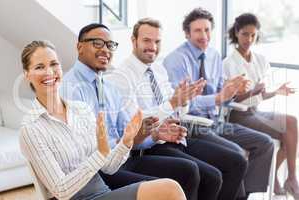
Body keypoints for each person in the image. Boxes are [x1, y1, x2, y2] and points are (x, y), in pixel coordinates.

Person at [19, 40, 186, 200]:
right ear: (27, 75)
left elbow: (108, 168)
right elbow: (61, 191)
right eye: (40, 67)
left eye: (54, 64)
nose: (49, 72)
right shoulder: (31, 129)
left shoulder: (81, 109)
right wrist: (100, 155)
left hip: (103, 192)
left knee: (170, 187)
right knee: (169, 189)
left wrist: (126, 142)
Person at [60, 23, 201, 200]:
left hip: (124, 159)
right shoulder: (70, 87)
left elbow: (128, 133)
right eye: (97, 43)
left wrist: (153, 135)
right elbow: (86, 150)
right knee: (167, 188)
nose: (105, 50)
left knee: (188, 171)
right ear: (79, 47)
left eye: (110, 45)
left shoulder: (109, 87)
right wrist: (127, 139)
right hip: (98, 171)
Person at [111, 18, 248, 200]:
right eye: (146, 40)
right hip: (151, 145)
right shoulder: (121, 76)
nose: (152, 46)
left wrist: (184, 100)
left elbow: (177, 111)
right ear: (133, 40)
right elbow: (137, 121)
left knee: (236, 161)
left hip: (176, 136)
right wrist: (173, 103)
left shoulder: (158, 70)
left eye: (157, 41)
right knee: (211, 177)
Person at [163, 7, 274, 199]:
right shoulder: (176, 60)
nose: (204, 35)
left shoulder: (214, 55)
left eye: (207, 30)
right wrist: (218, 98)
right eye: (197, 30)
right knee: (237, 155)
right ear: (187, 33)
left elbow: (222, 93)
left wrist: (233, 90)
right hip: (191, 125)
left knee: (265, 142)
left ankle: (245, 194)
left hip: (216, 122)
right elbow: (180, 103)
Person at [223, 13, 299, 198]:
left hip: (255, 112)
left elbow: (261, 94)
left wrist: (276, 91)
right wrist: (253, 91)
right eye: (244, 34)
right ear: (236, 33)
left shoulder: (260, 60)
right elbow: (228, 101)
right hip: (238, 115)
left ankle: (288, 177)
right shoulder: (228, 63)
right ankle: (284, 180)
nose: (249, 39)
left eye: (253, 35)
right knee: (288, 129)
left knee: (292, 125)